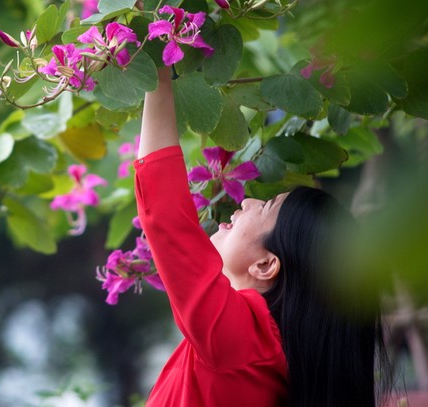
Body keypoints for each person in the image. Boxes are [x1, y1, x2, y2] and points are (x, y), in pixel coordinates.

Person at [134, 68, 388, 406]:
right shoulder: (264, 355)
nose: (247, 201)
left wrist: (158, 76)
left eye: (266, 207)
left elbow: (167, 219)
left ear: (267, 264)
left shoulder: (242, 342)